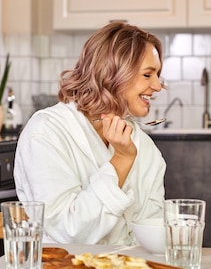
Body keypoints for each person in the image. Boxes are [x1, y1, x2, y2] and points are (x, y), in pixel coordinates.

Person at [14, 22, 166, 245]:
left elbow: (152, 227)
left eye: (158, 74)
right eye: (147, 75)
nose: (158, 86)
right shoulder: (46, 132)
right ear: (113, 73)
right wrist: (121, 160)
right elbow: (70, 230)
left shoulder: (142, 143)